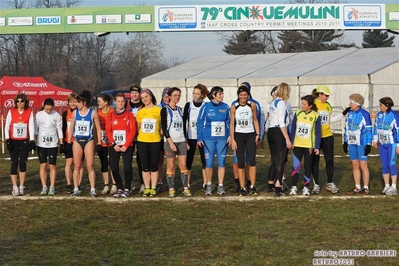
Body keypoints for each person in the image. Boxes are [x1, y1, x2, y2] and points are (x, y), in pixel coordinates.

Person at [311, 85, 349, 194]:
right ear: (319, 94)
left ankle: (330, 183)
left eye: (328, 95)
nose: (327, 97)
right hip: (315, 137)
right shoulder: (313, 104)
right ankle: (316, 184)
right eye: (325, 95)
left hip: (328, 136)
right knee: (315, 161)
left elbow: (329, 119)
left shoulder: (328, 106)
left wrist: (342, 114)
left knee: (330, 160)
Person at [66, 90, 102, 197]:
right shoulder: (75, 113)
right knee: (77, 166)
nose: (76, 104)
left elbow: (99, 129)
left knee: (90, 166)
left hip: (89, 140)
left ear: (84, 103)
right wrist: (68, 142)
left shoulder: (93, 113)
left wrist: (99, 142)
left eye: (78, 102)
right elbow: (71, 127)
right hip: (77, 140)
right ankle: (76, 188)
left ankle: (92, 189)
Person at [231, 81, 264, 193]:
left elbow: (255, 120)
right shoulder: (234, 106)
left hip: (250, 135)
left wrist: (258, 134)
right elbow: (231, 124)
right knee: (240, 162)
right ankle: (242, 187)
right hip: (238, 135)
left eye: (245, 95)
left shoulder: (252, 105)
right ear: (238, 96)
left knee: (252, 160)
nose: (243, 97)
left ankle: (252, 186)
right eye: (241, 95)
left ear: (248, 95)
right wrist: (233, 139)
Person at [197, 86, 231, 195]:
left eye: (222, 93)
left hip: (222, 139)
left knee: (221, 162)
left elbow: (230, 123)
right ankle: (209, 184)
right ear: (213, 95)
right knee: (209, 162)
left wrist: (230, 136)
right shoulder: (205, 107)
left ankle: (220, 185)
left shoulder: (226, 107)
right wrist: (199, 138)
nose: (222, 96)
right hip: (209, 139)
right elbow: (200, 122)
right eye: (220, 94)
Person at [161, 87, 191, 197]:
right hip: (170, 142)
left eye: (178, 95)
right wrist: (170, 142)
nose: (177, 97)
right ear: (169, 96)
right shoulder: (165, 109)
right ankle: (171, 188)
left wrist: (186, 141)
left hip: (181, 140)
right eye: (175, 95)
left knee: (183, 165)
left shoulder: (179, 109)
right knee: (171, 166)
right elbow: (164, 128)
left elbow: (183, 127)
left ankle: (186, 187)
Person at [289, 95, 321, 196]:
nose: (301, 105)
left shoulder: (316, 116)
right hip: (297, 145)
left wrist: (317, 146)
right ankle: (293, 187)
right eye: (301, 103)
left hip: (309, 146)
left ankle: (306, 188)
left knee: (308, 166)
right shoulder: (298, 113)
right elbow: (293, 128)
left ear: (310, 106)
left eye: (304, 104)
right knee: (296, 166)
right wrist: (291, 141)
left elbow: (318, 132)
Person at [106, 93, 137, 198]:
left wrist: (126, 145)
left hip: (127, 146)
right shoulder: (110, 115)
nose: (120, 103)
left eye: (122, 101)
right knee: (113, 167)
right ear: (115, 102)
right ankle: (120, 187)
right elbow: (108, 131)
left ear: (125, 102)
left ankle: (127, 188)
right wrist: (114, 143)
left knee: (127, 167)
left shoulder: (130, 115)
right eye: (118, 101)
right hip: (114, 145)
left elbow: (133, 131)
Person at [5, 93, 35, 196]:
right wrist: (7, 139)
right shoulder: (11, 111)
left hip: (24, 141)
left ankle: (21, 186)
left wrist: (32, 140)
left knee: (23, 163)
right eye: (17, 101)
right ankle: (14, 187)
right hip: (13, 140)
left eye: (22, 101)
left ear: (25, 102)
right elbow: (6, 126)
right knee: (14, 163)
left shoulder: (29, 112)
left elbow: (31, 126)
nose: (19, 103)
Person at [343, 93, 372, 195]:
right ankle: (357, 186)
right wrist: (345, 142)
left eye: (351, 102)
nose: (349, 104)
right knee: (355, 165)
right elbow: (346, 128)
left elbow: (369, 129)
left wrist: (368, 143)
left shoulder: (364, 114)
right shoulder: (350, 113)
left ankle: (366, 187)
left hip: (361, 143)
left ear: (357, 104)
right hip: (352, 143)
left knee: (363, 165)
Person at [266, 82, 292, 197]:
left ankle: (270, 183)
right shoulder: (281, 103)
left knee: (274, 160)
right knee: (280, 161)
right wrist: (287, 139)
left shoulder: (273, 102)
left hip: (271, 131)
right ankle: (278, 186)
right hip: (278, 131)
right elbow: (282, 122)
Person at [136, 89, 162, 197]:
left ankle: (154, 187)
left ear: (151, 96)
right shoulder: (140, 112)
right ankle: (147, 187)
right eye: (142, 98)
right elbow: (138, 128)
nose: (145, 99)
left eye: (146, 97)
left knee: (154, 166)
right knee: (145, 166)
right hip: (142, 141)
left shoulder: (159, 110)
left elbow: (162, 125)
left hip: (155, 141)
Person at [35, 98, 63, 196]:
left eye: (50, 109)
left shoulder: (56, 115)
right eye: (47, 109)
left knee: (52, 166)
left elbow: (59, 129)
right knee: (43, 165)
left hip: (53, 144)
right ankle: (44, 186)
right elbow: (36, 128)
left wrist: (61, 142)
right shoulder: (38, 115)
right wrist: (33, 140)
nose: (48, 111)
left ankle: (52, 186)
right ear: (44, 106)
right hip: (41, 144)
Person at [183, 84, 209, 190]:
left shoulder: (206, 105)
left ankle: (206, 183)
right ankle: (187, 183)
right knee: (188, 161)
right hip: (191, 137)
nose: (194, 95)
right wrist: (185, 139)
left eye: (197, 93)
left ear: (202, 95)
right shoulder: (188, 105)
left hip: (202, 137)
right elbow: (184, 121)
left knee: (205, 160)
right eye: (194, 93)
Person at [372, 97, 399, 195]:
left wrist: (398, 145)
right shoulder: (379, 115)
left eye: (381, 105)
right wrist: (375, 139)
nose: (379, 107)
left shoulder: (394, 115)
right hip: (382, 144)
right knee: (384, 165)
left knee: (391, 164)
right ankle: (386, 186)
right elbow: (376, 128)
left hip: (392, 144)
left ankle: (394, 187)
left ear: (387, 106)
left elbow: (398, 130)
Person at [61, 93, 85, 194]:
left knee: (79, 164)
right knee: (69, 163)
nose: (72, 103)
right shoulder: (66, 114)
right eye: (70, 102)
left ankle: (78, 184)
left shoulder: (82, 112)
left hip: (80, 141)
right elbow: (63, 128)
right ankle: (69, 183)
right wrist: (62, 143)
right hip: (69, 141)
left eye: (75, 101)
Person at [97, 93, 116, 195]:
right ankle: (106, 185)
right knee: (104, 163)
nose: (98, 103)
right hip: (101, 141)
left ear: (106, 102)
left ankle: (114, 184)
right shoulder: (97, 112)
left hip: (112, 141)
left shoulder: (113, 112)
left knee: (113, 163)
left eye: (100, 101)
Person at [127, 84, 144, 193]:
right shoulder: (126, 104)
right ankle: (130, 182)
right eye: (132, 93)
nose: (134, 95)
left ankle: (143, 182)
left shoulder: (143, 104)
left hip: (141, 135)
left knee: (140, 160)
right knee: (128, 160)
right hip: (129, 135)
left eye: (136, 93)